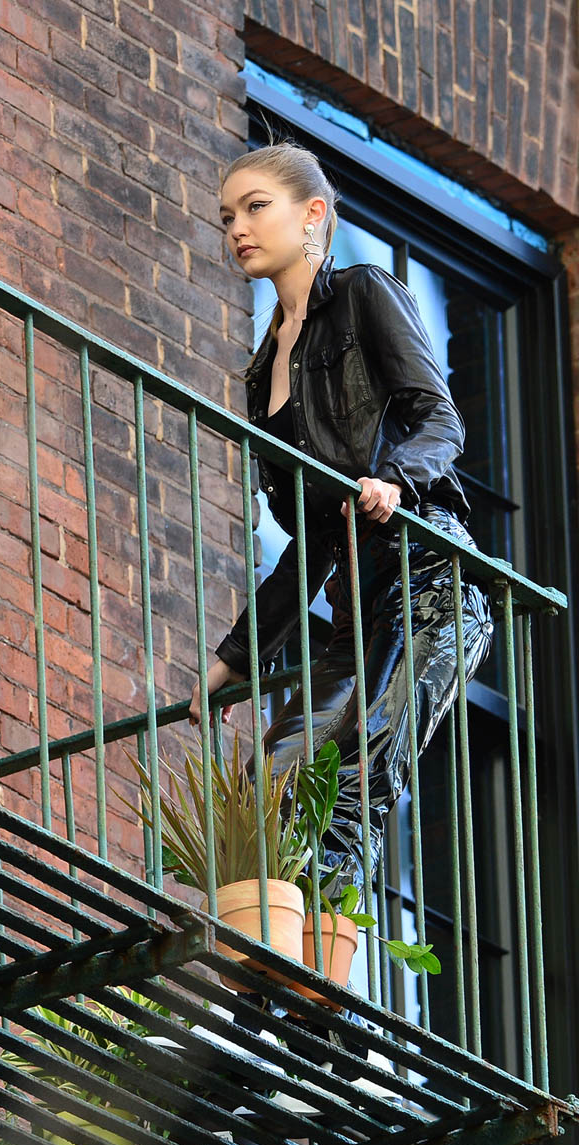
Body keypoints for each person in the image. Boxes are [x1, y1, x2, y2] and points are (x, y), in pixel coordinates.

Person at [191, 142, 494, 897]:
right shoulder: (262, 371)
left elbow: (441, 420)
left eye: (256, 207)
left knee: (356, 779)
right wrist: (236, 656)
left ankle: (323, 953)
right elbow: (314, 541)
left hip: (431, 587)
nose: (238, 228)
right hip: (357, 610)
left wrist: (394, 478)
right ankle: (272, 943)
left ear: (313, 214)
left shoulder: (364, 294)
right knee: (268, 782)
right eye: (227, 216)